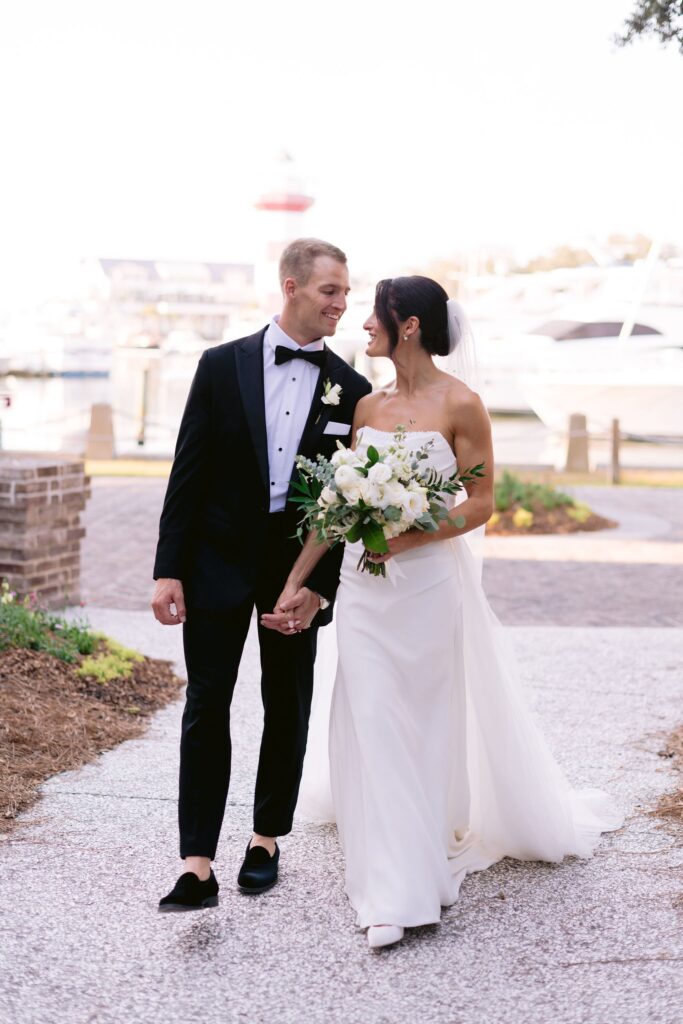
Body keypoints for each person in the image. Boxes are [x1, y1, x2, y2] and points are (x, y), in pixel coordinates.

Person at [262, 275, 623, 949]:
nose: (362, 324)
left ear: (406, 325)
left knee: (419, 724)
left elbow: (479, 504)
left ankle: (416, 854)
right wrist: (296, 579)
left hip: (426, 589)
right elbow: (336, 507)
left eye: (373, 314)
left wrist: (405, 538)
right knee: (369, 716)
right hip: (365, 588)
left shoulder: (463, 405)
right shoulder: (366, 408)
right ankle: (394, 892)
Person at [152, 238, 372, 912]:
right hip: (213, 562)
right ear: (291, 286)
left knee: (288, 702)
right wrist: (168, 570)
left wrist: (320, 586)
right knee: (205, 704)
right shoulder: (220, 366)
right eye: (329, 290)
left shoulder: (352, 387)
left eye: (344, 292)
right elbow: (187, 471)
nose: (341, 303)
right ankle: (196, 863)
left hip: (294, 575)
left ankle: (265, 840)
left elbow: (347, 503)